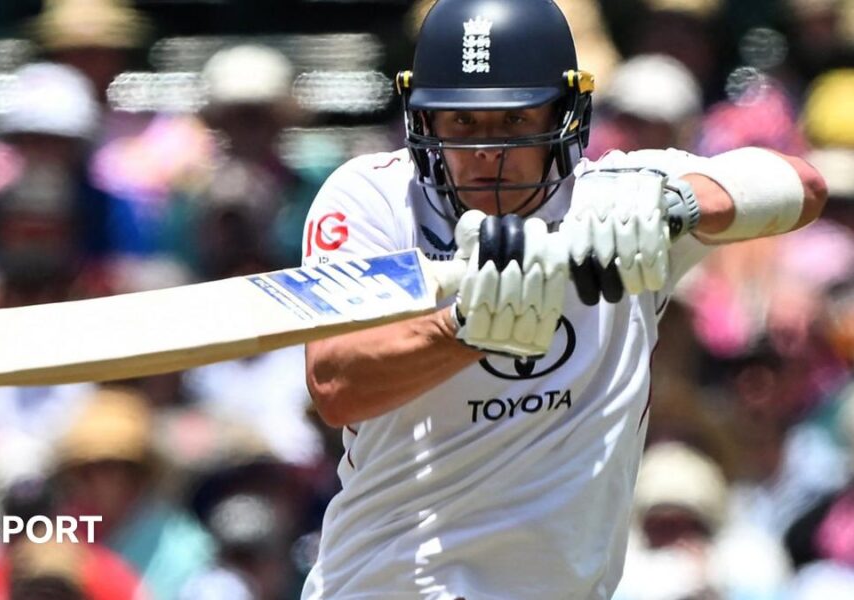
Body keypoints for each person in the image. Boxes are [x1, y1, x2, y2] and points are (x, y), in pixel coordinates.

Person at [299, 0, 827, 598]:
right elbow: (336, 385)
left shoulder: (620, 196)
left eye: (514, 121)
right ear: (423, 120)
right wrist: (467, 329)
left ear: (566, 114)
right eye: (461, 122)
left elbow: (804, 188)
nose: (486, 154)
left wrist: (675, 204)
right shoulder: (375, 199)